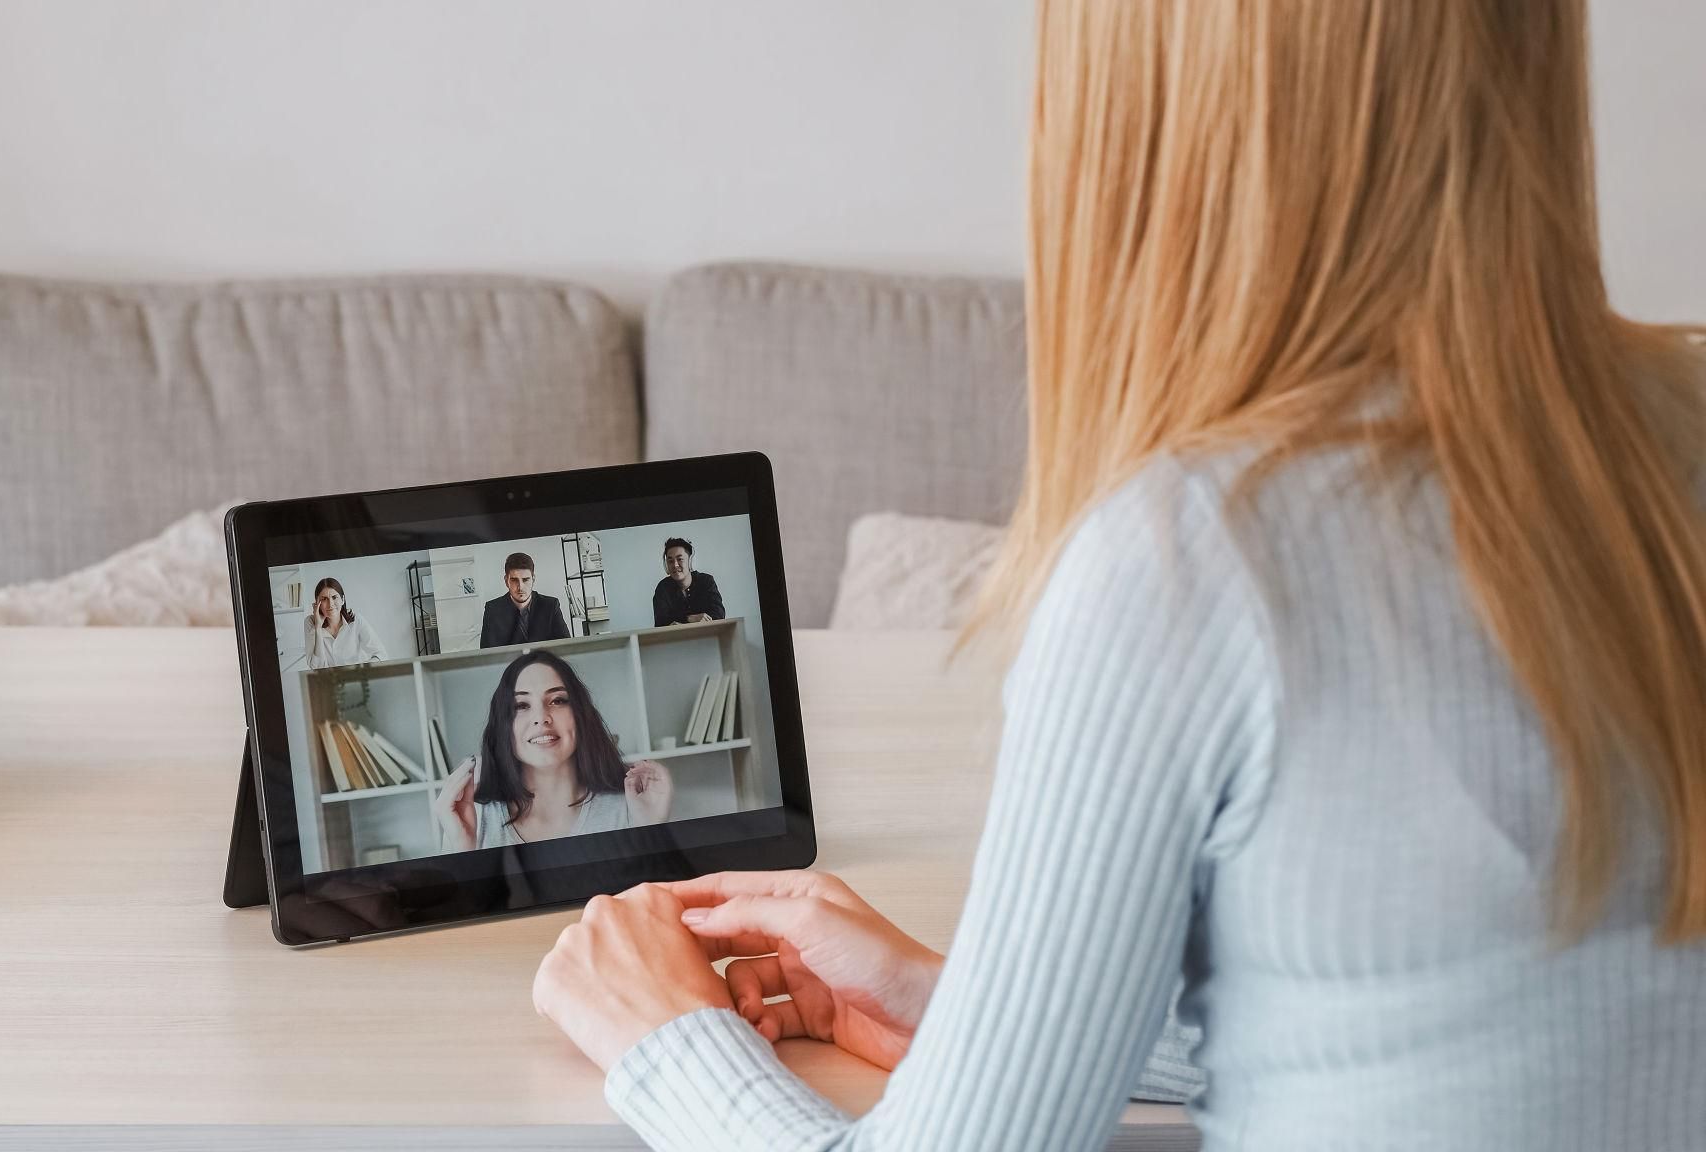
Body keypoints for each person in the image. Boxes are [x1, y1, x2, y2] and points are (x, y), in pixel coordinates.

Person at [530, 4, 1706, 1151]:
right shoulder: (1677, 437)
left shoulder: (1197, 555)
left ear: (1135, 106)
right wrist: (992, 1012)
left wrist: (665, 1035)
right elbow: (1485, 1004)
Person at [433, 650, 672, 851]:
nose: (541, 718)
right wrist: (462, 851)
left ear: (580, 715)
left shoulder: (630, 806)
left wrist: (650, 828)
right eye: (521, 705)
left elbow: (659, 902)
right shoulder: (475, 817)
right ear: (503, 726)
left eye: (558, 700)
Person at [479, 551, 571, 648]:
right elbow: (487, 653)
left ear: (533, 579)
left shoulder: (550, 605)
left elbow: (566, 647)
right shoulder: (493, 609)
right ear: (506, 581)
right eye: (514, 580)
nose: (520, 587)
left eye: (526, 580)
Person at [302, 577, 387, 668]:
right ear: (317, 603)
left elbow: (381, 655)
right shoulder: (310, 622)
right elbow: (316, 668)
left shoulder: (356, 620)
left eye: (334, 597)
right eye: (324, 599)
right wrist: (318, 628)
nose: (330, 604)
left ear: (342, 600)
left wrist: (360, 670)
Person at [651, 537, 725, 627]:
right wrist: (689, 618)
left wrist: (681, 621)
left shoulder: (706, 581)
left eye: (680, 559)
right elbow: (660, 622)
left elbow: (719, 614)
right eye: (670, 561)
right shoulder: (662, 588)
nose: (675, 565)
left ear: (689, 561)